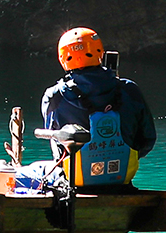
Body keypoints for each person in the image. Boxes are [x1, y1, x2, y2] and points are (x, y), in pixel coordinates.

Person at [40, 28, 157, 191]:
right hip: (121, 180)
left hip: (75, 181)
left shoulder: (54, 96)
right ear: (100, 53)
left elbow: (56, 142)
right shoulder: (130, 90)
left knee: (34, 171)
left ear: (62, 58)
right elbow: (147, 139)